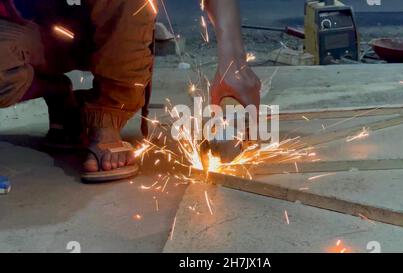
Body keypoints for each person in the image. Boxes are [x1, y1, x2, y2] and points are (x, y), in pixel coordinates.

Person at [0, 0, 260, 181]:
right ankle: (56, 92)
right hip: (25, 29)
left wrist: (234, 62)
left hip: (109, 27)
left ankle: (107, 115)